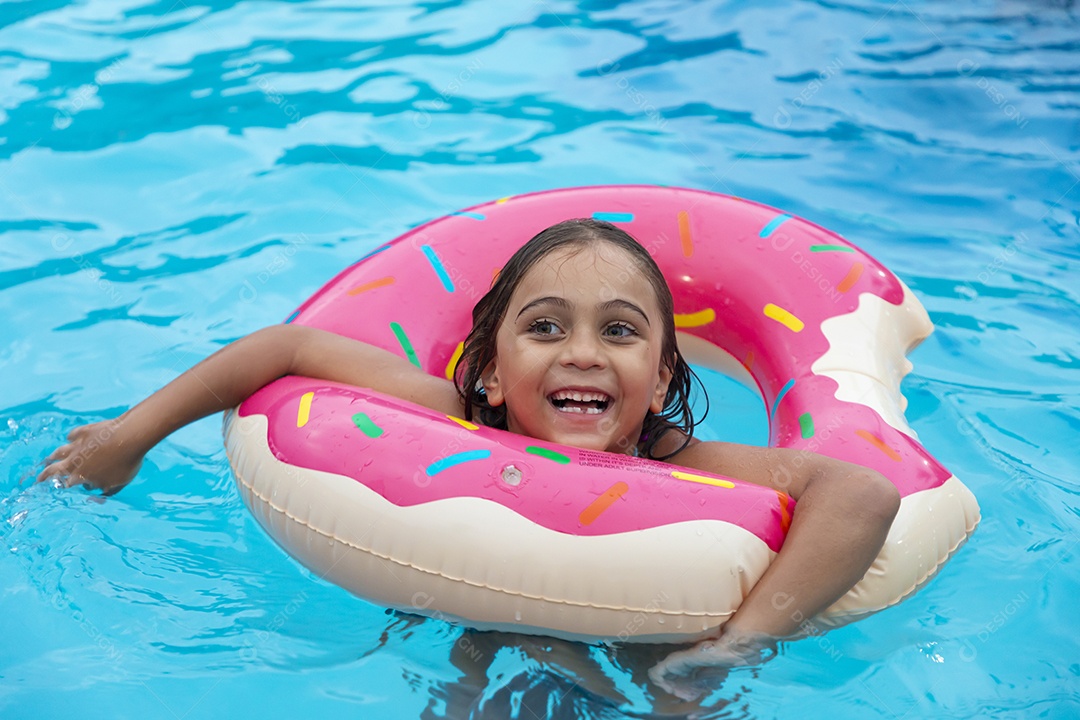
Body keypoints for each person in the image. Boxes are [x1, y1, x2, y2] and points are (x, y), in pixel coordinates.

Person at [38, 218, 900, 702]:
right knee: (476, 680)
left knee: (678, 697)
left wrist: (738, 642)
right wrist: (129, 438)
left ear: (664, 377)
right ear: (489, 368)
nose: (583, 353)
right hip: (473, 612)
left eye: (620, 332)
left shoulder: (685, 464)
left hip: (654, 638)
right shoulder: (456, 417)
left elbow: (859, 493)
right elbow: (286, 348)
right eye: (545, 327)